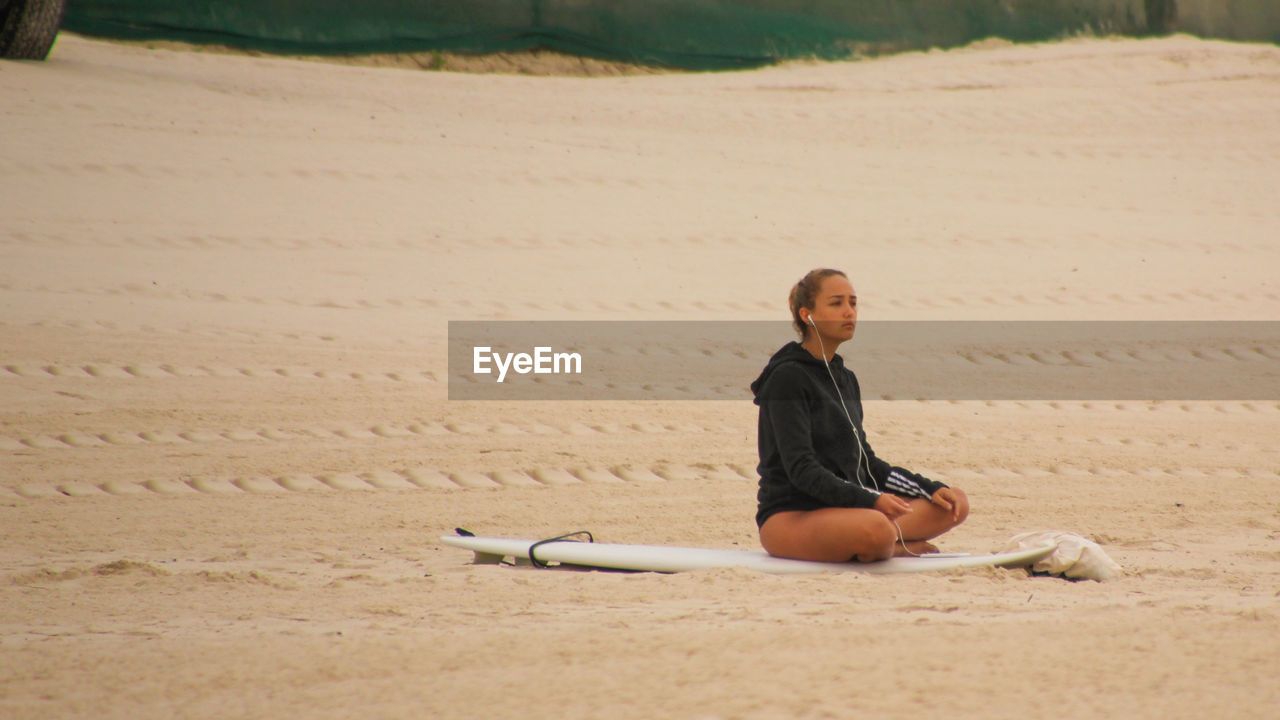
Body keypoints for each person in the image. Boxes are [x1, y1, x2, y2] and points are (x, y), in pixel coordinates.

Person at [750, 268, 969, 562]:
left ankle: (886, 540)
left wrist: (930, 489)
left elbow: (867, 463)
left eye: (853, 303)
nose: (849, 312)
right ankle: (894, 545)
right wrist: (872, 500)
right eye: (836, 303)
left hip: (848, 512)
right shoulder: (788, 378)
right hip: (792, 516)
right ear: (807, 315)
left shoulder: (846, 379)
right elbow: (801, 469)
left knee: (954, 503)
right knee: (878, 528)